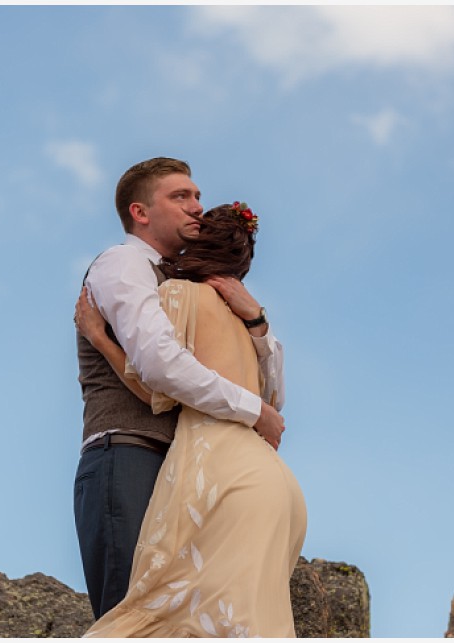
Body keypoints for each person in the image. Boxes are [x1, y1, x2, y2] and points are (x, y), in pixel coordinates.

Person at [77, 202, 306, 637]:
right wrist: (258, 320)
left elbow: (159, 387)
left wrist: (99, 338)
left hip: (222, 472)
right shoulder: (248, 321)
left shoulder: (177, 296)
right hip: (276, 483)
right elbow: (274, 401)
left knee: (143, 619)